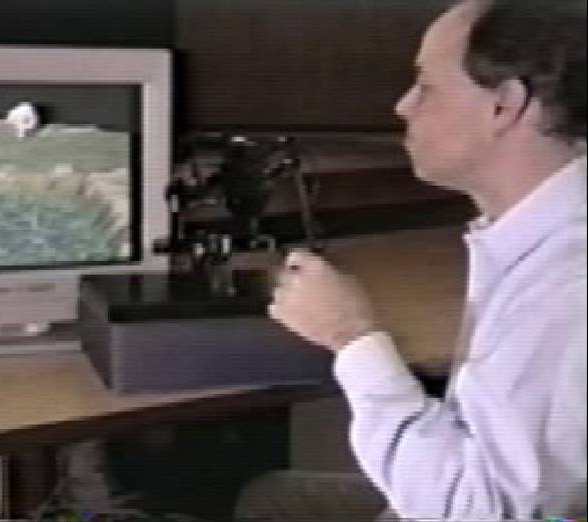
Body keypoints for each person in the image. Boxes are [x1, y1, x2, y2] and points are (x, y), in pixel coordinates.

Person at [236, 0, 586, 520]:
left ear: (504, 105)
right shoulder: (538, 237)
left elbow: (478, 510)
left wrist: (349, 335)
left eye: (426, 86)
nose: (402, 106)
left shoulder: (566, 285)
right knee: (275, 499)